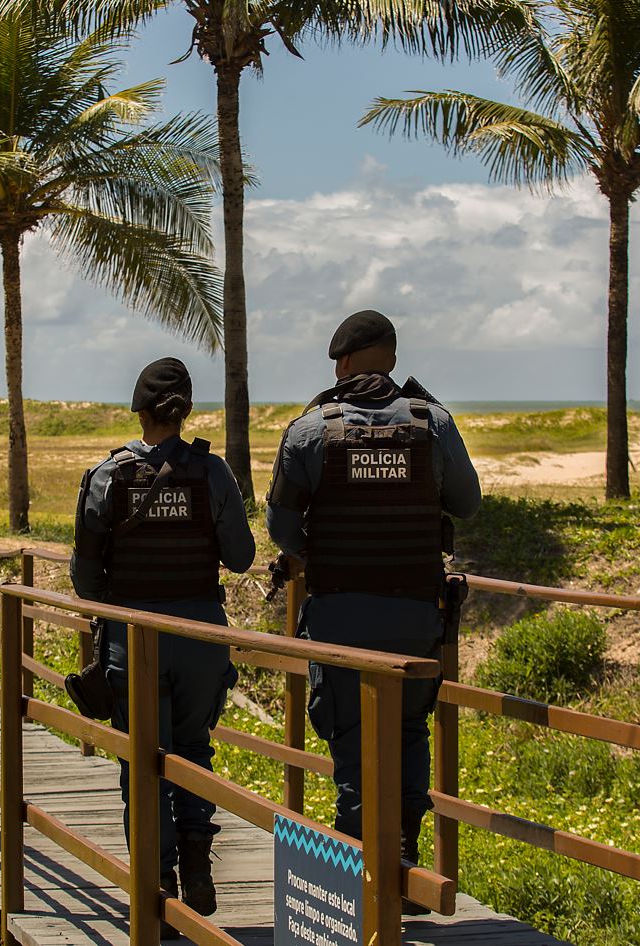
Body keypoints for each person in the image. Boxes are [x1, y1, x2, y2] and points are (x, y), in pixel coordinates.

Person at [265, 310, 480, 908]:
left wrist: (323, 551)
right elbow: (467, 503)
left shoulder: (311, 429)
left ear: (350, 361)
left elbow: (281, 526)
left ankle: (360, 881)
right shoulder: (430, 422)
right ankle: (405, 865)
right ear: (391, 357)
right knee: (410, 734)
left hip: (339, 617)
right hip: (414, 614)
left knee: (352, 746)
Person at [70, 356, 256, 934]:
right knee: (195, 749)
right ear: (185, 411)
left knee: (142, 762)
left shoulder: (107, 476)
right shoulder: (213, 474)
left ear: (140, 411)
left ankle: (156, 885)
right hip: (201, 636)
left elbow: (84, 576)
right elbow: (242, 557)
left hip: (134, 640)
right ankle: (199, 860)